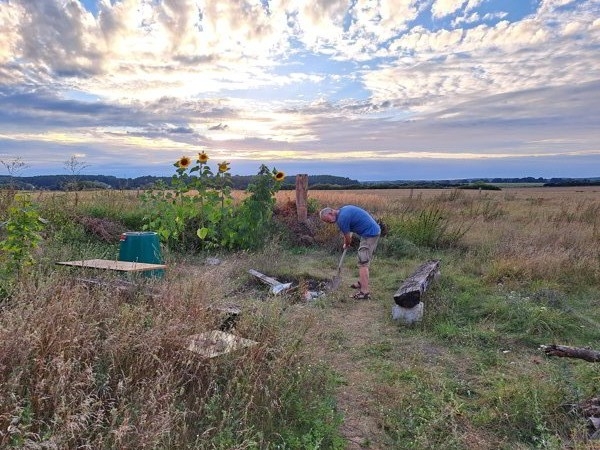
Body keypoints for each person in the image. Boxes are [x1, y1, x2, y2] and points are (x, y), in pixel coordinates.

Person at [319, 205, 381, 300]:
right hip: (369, 232)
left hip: (370, 234)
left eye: (328, 220)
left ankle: (364, 292)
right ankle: (362, 282)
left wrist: (346, 244)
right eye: (327, 222)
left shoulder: (341, 219)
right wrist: (347, 241)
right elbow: (348, 233)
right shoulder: (344, 210)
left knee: (363, 263)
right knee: (362, 259)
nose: (329, 223)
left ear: (331, 212)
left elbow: (347, 238)